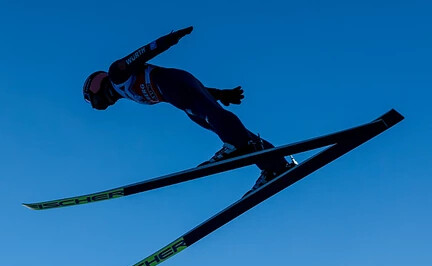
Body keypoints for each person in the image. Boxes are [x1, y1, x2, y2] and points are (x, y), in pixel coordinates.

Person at [82, 26, 295, 194]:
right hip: (178, 91)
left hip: (171, 83)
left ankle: (235, 146)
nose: (96, 103)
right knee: (223, 126)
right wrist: (220, 94)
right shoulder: (125, 92)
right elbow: (196, 92)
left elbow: (143, 52)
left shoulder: (116, 75)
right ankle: (275, 166)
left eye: (92, 96)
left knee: (213, 119)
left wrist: (171, 38)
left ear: (96, 85)